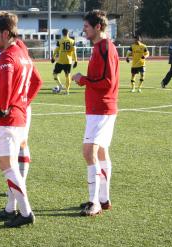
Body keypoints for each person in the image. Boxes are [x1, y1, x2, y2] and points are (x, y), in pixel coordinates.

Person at [0, 12, 43, 227]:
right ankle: (13, 208)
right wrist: (23, 102)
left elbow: (5, 87)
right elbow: (37, 81)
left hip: (8, 119)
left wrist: (2, 108)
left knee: (8, 167)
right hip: (19, 117)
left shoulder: (7, 57)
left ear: (5, 33)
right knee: (11, 166)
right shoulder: (23, 54)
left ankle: (25, 212)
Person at [72, 10, 119, 216]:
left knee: (88, 152)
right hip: (99, 108)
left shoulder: (105, 48)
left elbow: (107, 82)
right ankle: (103, 198)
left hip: (102, 108)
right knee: (100, 152)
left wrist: (83, 79)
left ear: (98, 27)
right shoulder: (99, 47)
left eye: (87, 27)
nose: (84, 30)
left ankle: (94, 202)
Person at [0, 40, 35, 222]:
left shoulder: (14, 50)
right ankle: (12, 206)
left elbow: (33, 81)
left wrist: (20, 103)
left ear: (5, 32)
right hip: (10, 106)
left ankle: (20, 209)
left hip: (11, 108)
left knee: (13, 158)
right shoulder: (12, 51)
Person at [51, 28, 77, 95]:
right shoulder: (72, 41)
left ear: (62, 33)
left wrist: (53, 57)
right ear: (68, 33)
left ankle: (60, 85)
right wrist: (76, 61)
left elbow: (56, 50)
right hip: (68, 61)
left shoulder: (60, 41)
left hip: (60, 61)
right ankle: (67, 91)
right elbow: (74, 52)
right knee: (67, 75)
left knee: (54, 74)